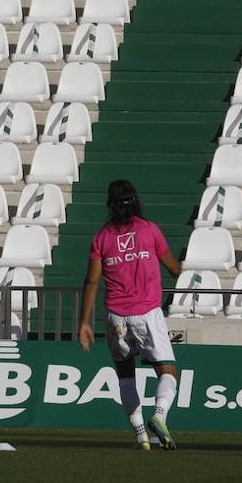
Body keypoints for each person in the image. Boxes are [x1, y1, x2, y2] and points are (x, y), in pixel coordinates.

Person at [78, 179, 183, 451]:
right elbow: (174, 268)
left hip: (115, 316)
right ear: (135, 201)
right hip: (147, 312)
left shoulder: (102, 238)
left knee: (125, 374)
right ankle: (159, 417)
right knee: (167, 370)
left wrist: (84, 323)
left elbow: (91, 281)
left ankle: (140, 436)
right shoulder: (149, 231)